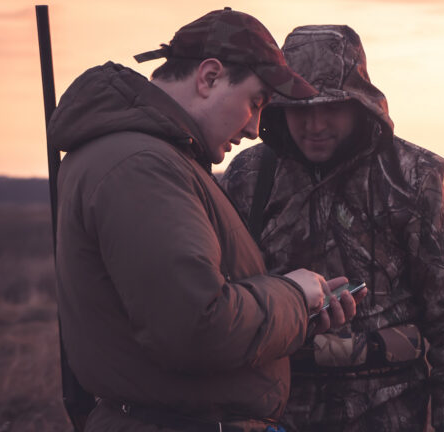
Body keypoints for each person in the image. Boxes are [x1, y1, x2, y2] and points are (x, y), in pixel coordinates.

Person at [49, 9, 362, 432]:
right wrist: (292, 294)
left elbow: (181, 310)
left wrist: (300, 315)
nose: (255, 129)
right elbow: (197, 328)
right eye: (255, 103)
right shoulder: (141, 166)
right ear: (209, 77)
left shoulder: (154, 158)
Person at [222, 25, 444, 432]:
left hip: (388, 412)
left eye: (330, 107)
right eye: (299, 108)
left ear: (359, 104)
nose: (314, 124)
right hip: (271, 413)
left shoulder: (420, 178)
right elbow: (221, 303)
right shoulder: (248, 175)